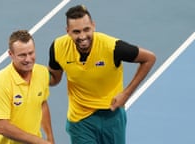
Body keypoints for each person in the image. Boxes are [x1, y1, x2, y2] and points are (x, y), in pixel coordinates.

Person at [48, 5, 156, 144]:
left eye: (86, 29)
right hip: (80, 120)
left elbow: (149, 58)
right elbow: (54, 78)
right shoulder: (58, 47)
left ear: (93, 26)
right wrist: (35, 76)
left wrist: (126, 94)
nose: (82, 36)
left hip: (112, 115)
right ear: (67, 31)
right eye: (76, 31)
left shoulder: (112, 47)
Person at [0, 30, 55, 144]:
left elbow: (42, 104)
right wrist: (39, 142)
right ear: (10, 54)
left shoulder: (42, 72)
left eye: (31, 53)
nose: (28, 59)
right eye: (22, 55)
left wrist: (50, 138)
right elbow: (1, 127)